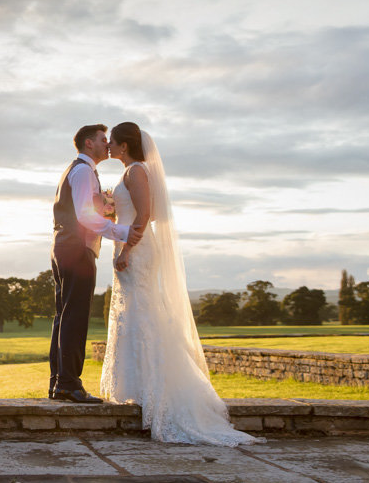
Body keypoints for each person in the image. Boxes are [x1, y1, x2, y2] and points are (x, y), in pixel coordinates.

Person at [101, 121, 260, 445]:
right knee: (133, 314)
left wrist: (127, 249)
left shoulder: (135, 172)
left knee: (142, 314)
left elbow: (146, 215)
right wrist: (115, 209)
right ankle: (138, 391)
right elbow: (142, 212)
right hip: (132, 244)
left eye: (112, 142)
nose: (108, 147)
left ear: (124, 146)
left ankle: (155, 395)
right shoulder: (132, 172)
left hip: (138, 249)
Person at [50, 124, 143, 404]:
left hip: (67, 247)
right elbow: (85, 217)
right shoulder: (81, 172)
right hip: (76, 249)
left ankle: (60, 383)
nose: (107, 144)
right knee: (75, 316)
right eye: (103, 140)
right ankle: (68, 384)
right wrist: (123, 232)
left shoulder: (80, 170)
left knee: (64, 316)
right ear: (89, 143)